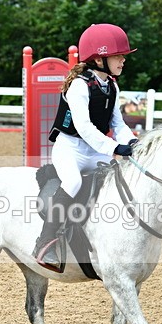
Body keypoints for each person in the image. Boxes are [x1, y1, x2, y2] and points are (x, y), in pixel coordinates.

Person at [33, 23, 139, 271]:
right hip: (71, 149)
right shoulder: (79, 86)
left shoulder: (111, 85)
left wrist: (132, 142)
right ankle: (45, 243)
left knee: (119, 177)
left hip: (94, 150)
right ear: (100, 58)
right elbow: (84, 127)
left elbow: (118, 123)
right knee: (73, 183)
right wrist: (115, 148)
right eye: (118, 55)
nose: (123, 60)